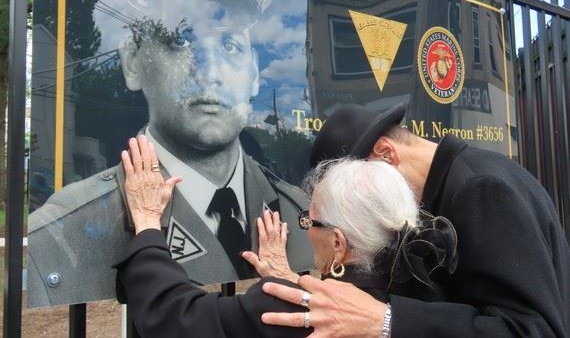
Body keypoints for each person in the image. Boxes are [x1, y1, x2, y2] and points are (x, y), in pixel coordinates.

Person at [26, 0, 312, 307]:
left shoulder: (299, 212)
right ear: (132, 62)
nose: (210, 73)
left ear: (253, 75)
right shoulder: (60, 237)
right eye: (182, 41)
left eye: (230, 45)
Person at [261, 102, 570, 337]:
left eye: (355, 187)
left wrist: (387, 321)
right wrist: (296, 287)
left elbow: (532, 329)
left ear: (385, 153)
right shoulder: (454, 184)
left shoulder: (480, 189)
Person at [116, 135, 458, 337]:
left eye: (310, 220)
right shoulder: (425, 298)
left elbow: (173, 317)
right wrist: (290, 279)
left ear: (338, 243)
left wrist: (146, 221)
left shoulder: (291, 312)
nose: (305, 228)